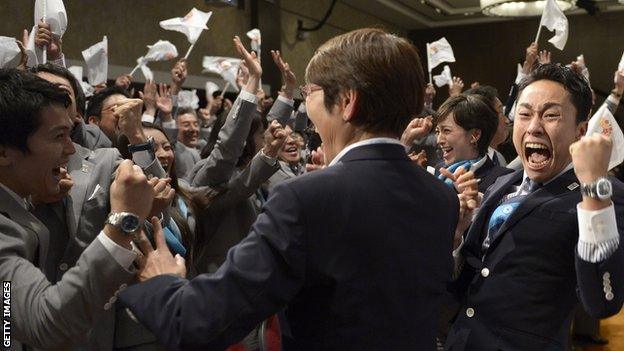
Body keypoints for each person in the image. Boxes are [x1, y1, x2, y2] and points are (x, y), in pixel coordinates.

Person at [119, 28, 459, 351]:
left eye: (309, 92)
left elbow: (198, 322)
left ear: (347, 102)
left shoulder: (306, 197)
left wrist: (159, 280)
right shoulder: (441, 196)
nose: (305, 110)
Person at [446, 64, 624, 350]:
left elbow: (603, 301)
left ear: (581, 130)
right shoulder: (501, 182)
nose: (533, 127)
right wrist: (456, 234)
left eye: (551, 115)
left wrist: (593, 187)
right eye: (525, 114)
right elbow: (463, 279)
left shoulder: (601, 195)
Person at [0, 68, 157, 350]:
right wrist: (122, 222)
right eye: (58, 136)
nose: (70, 150)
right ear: (4, 152)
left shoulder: (104, 161)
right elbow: (37, 323)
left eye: (68, 133)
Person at [435, 94, 513, 192]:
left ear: (475, 135)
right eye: (437, 131)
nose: (439, 140)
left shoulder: (503, 179)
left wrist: (475, 201)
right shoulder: (439, 170)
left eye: (446, 130)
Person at [464, 85, 511, 167]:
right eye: (501, 112)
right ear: (485, 118)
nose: (507, 121)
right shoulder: (466, 166)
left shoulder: (503, 153)